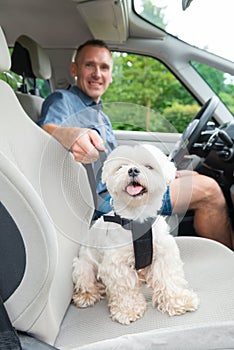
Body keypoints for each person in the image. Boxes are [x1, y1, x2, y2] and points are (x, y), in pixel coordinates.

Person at [38, 39, 233, 250]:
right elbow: (46, 129)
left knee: (192, 176)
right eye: (89, 65)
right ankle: (228, 269)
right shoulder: (62, 99)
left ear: (111, 76)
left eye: (104, 67)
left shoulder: (101, 115)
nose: (97, 74)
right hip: (105, 201)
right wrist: (73, 134)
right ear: (75, 69)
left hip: (117, 186)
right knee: (209, 191)